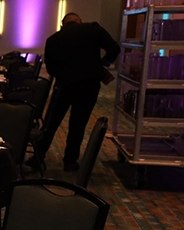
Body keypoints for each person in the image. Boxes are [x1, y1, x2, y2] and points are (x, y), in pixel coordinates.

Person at [28, 13, 120, 172]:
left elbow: (51, 69)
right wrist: (101, 65)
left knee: (52, 122)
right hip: (89, 85)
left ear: (62, 25)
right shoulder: (93, 29)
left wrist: (63, 74)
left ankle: (38, 156)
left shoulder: (53, 39)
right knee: (78, 123)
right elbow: (114, 48)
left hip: (64, 85)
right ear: (80, 21)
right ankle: (70, 161)